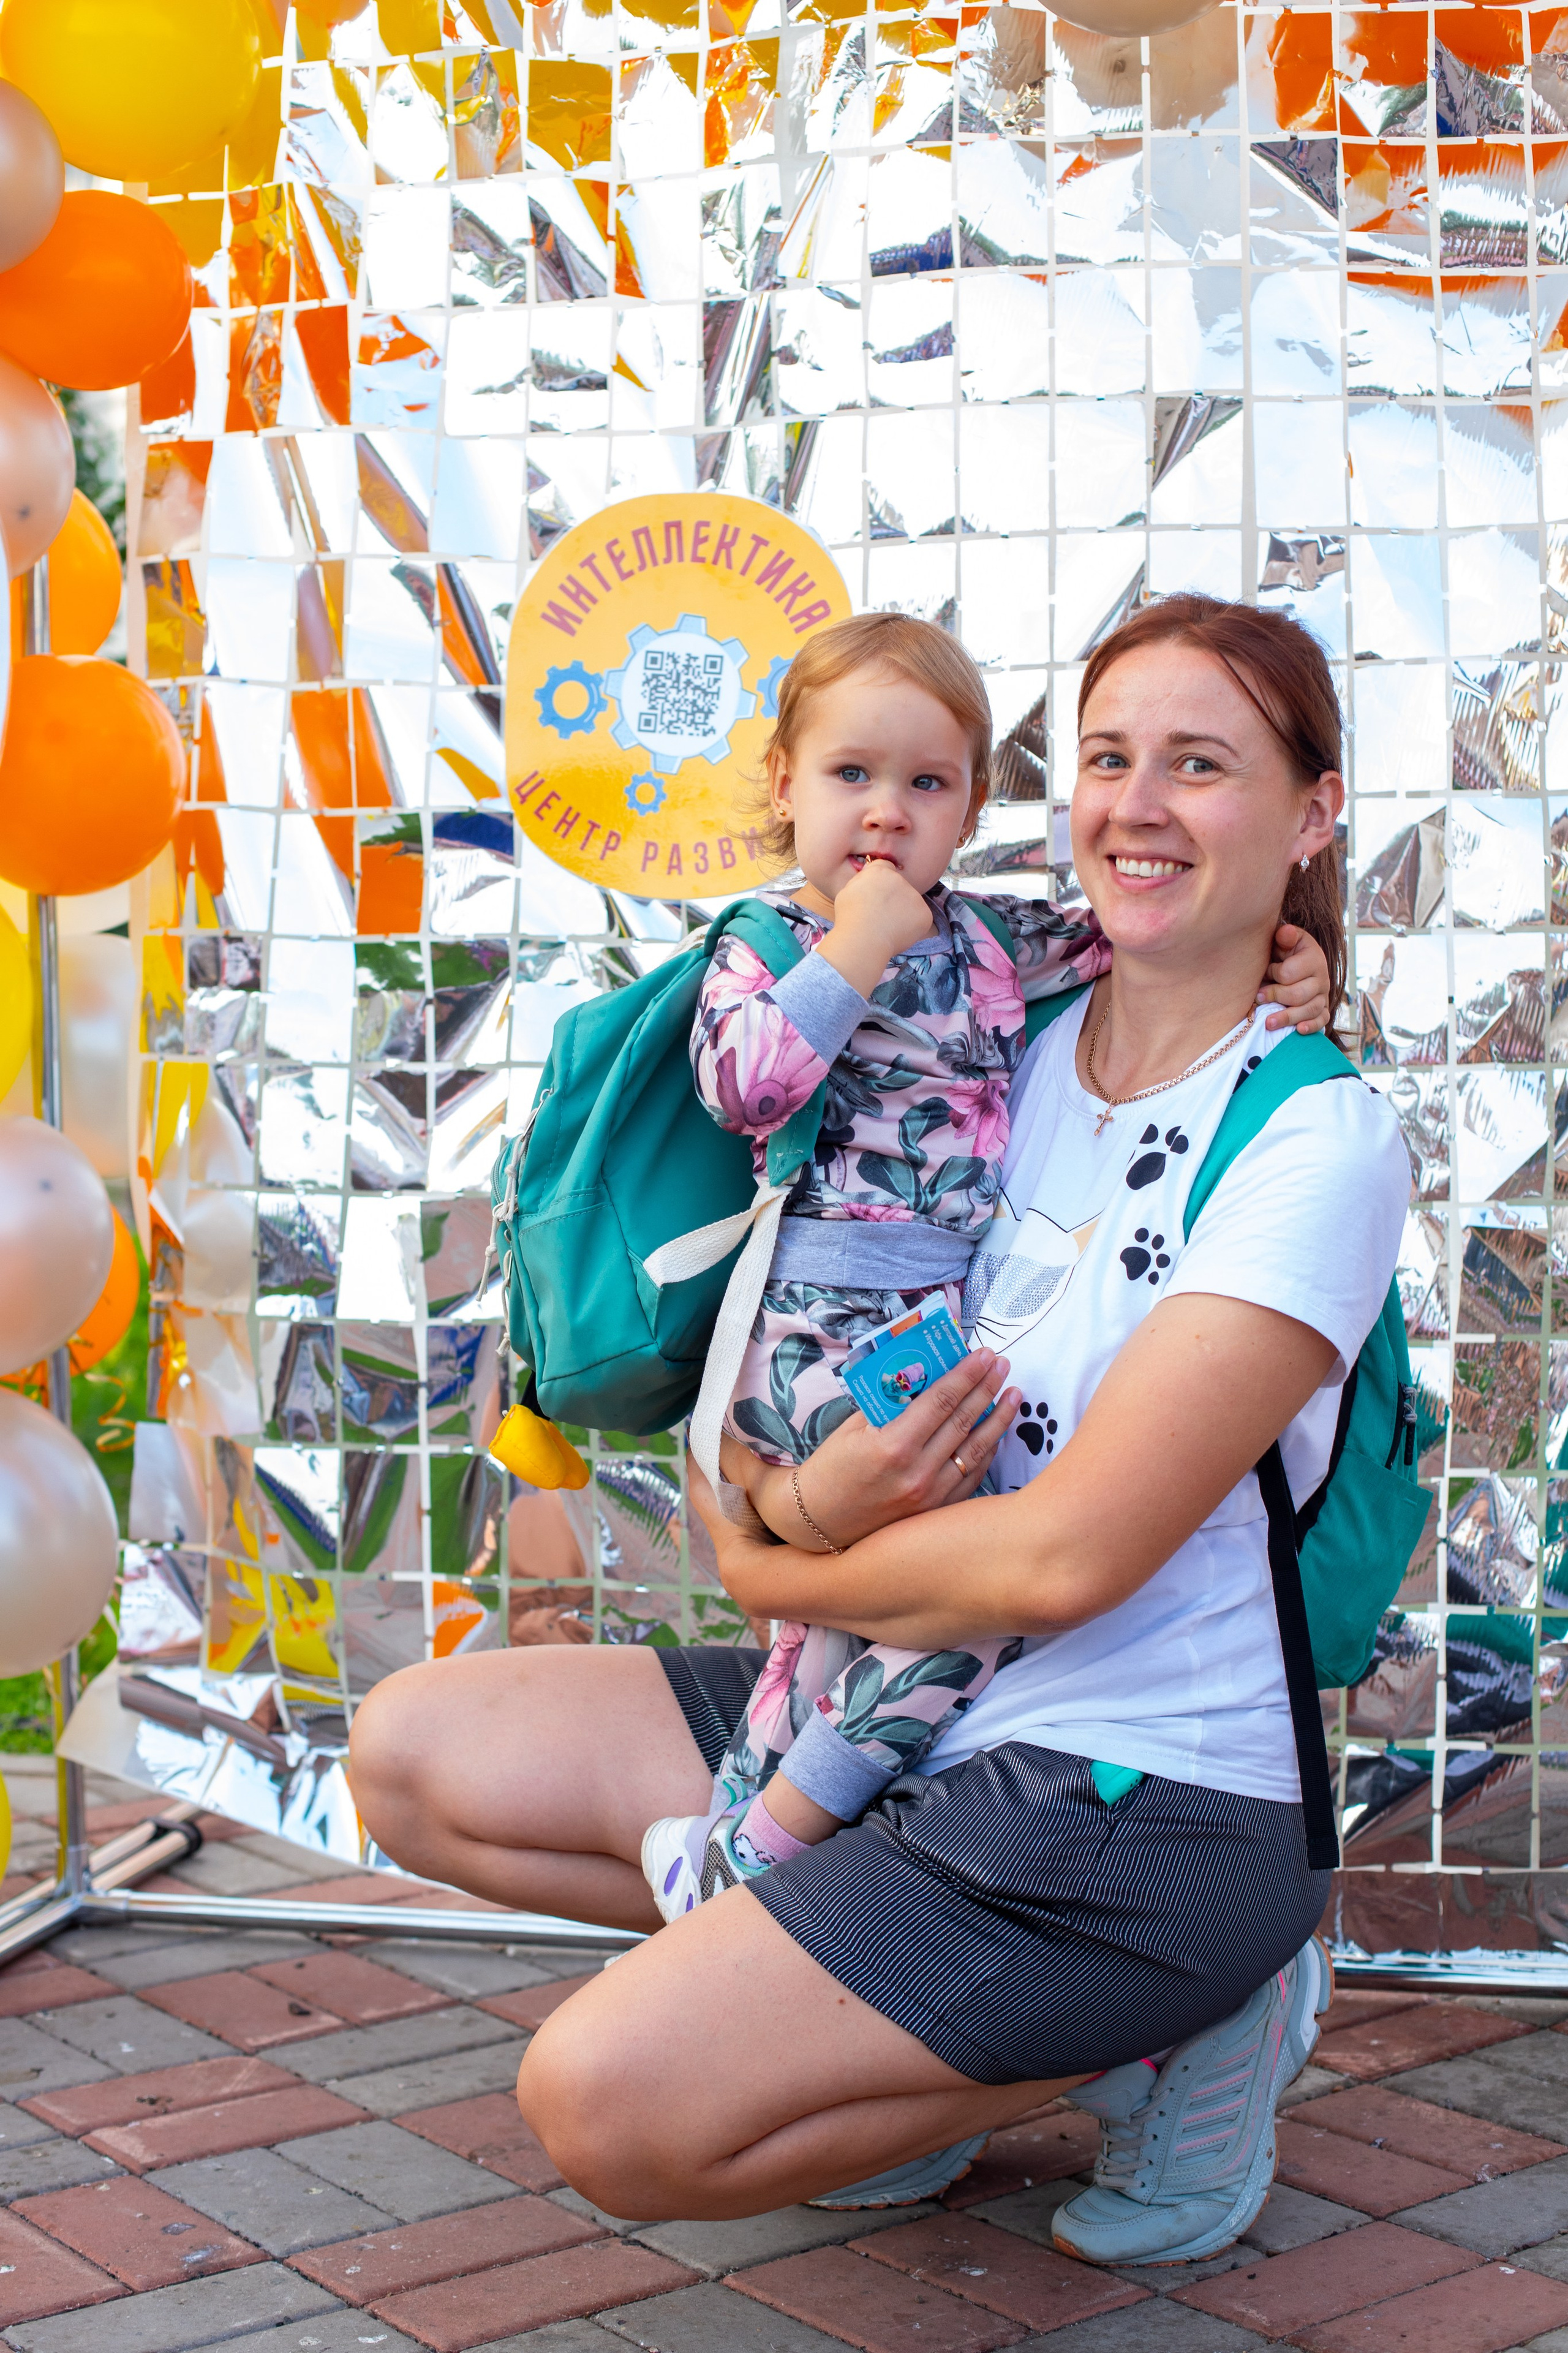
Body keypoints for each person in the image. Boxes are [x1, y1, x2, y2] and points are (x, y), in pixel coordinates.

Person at [347, 594, 1411, 2260]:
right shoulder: (998, 1023)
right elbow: (777, 1259)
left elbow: (1063, 1558)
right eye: (1111, 757)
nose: (1136, 803)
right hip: (904, 1686)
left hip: (1141, 1780)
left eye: (1200, 765)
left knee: (609, 2106)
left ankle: (1183, 2014)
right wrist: (793, 1496)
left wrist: (772, 1552)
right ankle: (891, 2021)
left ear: (1312, 811)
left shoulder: (1314, 1135)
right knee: (415, 1757)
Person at [643, 610, 1331, 1921]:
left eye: (927, 783)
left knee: (860, 1627)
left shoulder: (981, 940)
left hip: (916, 1323)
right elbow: (743, 1082)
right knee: (936, 1596)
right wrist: (858, 941)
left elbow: (1126, 933)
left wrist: (1288, 959)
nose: (886, 815)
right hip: (811, 1318)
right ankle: (763, 1860)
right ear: (782, 783)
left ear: (969, 803)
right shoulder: (770, 939)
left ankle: (740, 1842)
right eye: (850, 776)